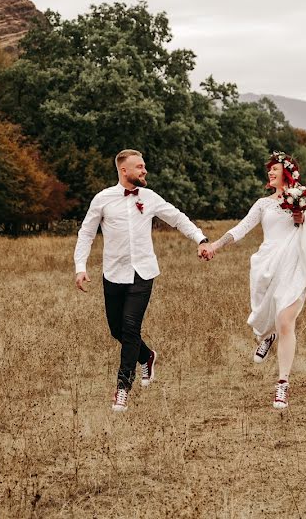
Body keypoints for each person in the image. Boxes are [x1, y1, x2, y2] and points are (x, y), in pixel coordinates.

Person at [74, 149, 211, 412]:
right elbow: (86, 233)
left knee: (129, 327)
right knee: (117, 329)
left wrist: (201, 239)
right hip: (113, 273)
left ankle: (122, 388)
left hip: (143, 272)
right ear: (124, 170)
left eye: (144, 166)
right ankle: (147, 356)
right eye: (139, 167)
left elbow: (177, 218)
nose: (144, 170)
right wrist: (80, 267)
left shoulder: (149, 197)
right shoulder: (103, 199)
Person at [204, 152, 306, 409]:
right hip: (267, 265)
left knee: (285, 321)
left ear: (287, 172)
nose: (270, 173)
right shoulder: (263, 204)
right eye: (269, 170)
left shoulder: (303, 200)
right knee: (268, 317)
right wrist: (215, 245)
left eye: (274, 169)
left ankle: (282, 384)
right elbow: (241, 229)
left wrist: (301, 218)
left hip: (295, 266)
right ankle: (267, 336)